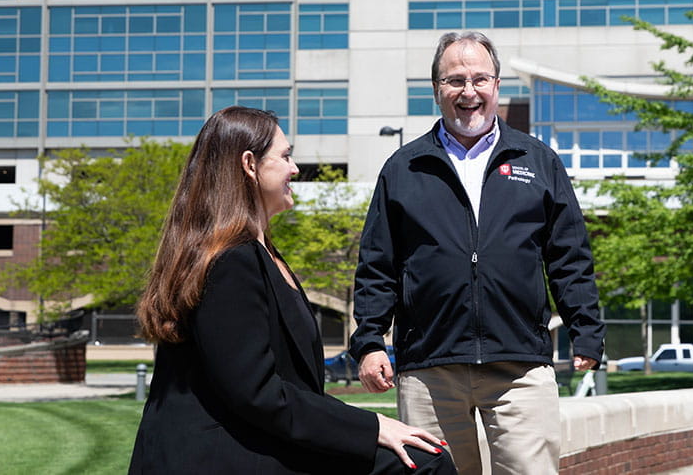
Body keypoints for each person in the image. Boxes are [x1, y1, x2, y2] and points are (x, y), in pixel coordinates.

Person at [129, 106, 457, 474]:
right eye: (285, 156)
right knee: (425, 465)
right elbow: (259, 394)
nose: (295, 168)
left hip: (262, 440)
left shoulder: (260, 253)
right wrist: (374, 426)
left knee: (426, 459)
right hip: (225, 455)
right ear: (250, 165)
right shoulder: (229, 262)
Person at [351, 32, 605, 474]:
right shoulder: (403, 168)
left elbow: (569, 256)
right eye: (454, 81)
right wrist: (370, 341)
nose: (469, 91)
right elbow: (378, 265)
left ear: (497, 85)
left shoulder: (537, 160)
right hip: (430, 368)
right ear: (436, 91)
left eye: (479, 79)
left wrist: (586, 328)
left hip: (519, 367)